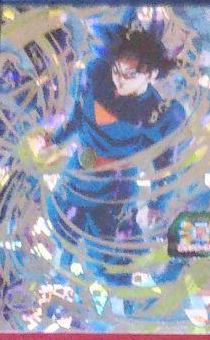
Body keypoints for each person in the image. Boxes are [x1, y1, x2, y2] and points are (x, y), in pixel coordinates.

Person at [29, 20, 185, 288]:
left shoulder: (157, 113)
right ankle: (58, 277)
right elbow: (78, 118)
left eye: (129, 75)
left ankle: (138, 291)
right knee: (63, 229)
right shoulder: (96, 75)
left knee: (104, 256)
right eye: (116, 70)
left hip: (115, 188)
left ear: (151, 74)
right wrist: (53, 140)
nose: (119, 80)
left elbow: (165, 165)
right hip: (79, 171)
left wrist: (156, 206)